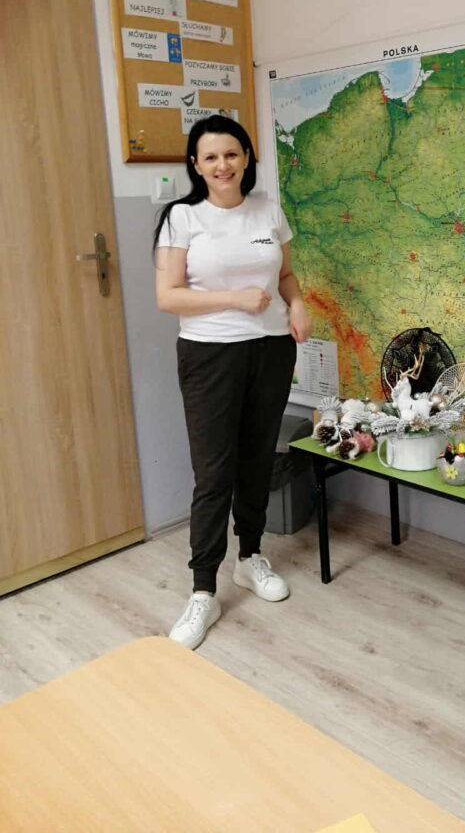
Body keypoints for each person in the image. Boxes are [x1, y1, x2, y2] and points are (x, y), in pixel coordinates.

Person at [154, 114, 311, 649]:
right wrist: (235, 299)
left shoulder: (267, 210)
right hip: (209, 355)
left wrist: (297, 304)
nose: (223, 165)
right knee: (214, 471)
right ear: (196, 165)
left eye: (232, 154)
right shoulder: (181, 218)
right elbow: (168, 296)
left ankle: (250, 557)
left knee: (256, 458)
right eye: (211, 157)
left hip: (270, 351)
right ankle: (203, 589)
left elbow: (285, 274)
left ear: (246, 158)